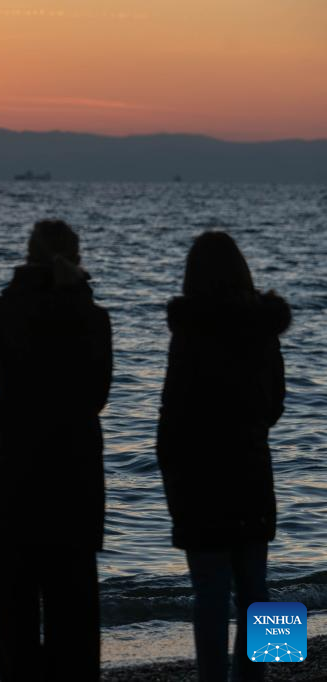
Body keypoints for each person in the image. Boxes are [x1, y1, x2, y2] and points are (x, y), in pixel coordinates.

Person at [0, 219, 112, 681]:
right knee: (74, 613)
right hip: (73, 476)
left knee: (15, 612)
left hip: (12, 474)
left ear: (29, 254)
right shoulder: (92, 317)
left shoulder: (7, 309)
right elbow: (98, 396)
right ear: (77, 259)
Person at [157, 231, 289, 682]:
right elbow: (275, 405)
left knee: (210, 594)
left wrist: (170, 474)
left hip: (198, 479)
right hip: (251, 472)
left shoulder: (189, 334)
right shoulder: (264, 331)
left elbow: (171, 414)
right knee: (258, 589)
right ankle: (259, 676)